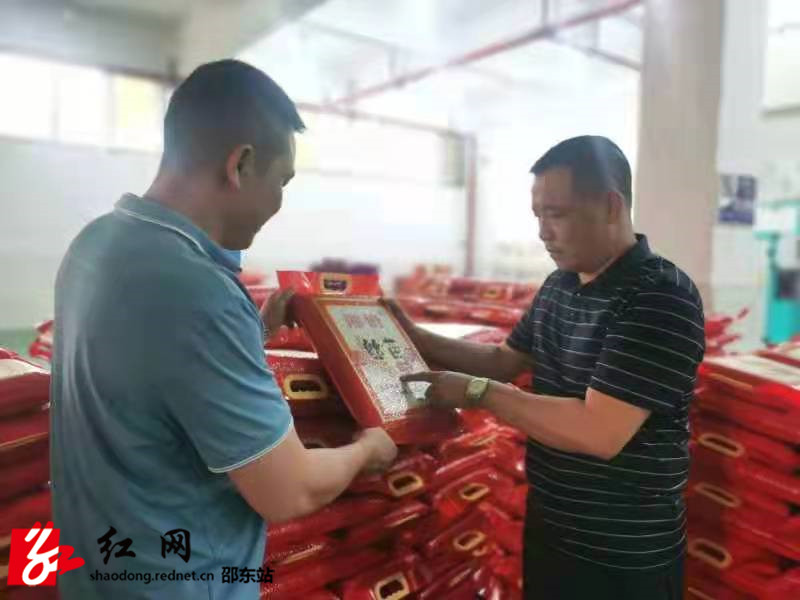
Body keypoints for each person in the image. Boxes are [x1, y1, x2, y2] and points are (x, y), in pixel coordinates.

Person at [50, 60, 397, 600]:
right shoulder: (199, 290)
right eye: (281, 182)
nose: (278, 204)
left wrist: (251, 333)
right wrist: (367, 449)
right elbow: (289, 491)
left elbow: (152, 369)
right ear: (241, 164)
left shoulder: (96, 243)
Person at [388, 136, 704, 600]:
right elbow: (503, 361)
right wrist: (413, 335)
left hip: (622, 557)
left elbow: (599, 431)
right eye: (537, 215)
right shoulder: (560, 284)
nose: (542, 232)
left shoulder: (660, 296)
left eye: (556, 214)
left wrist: (477, 393)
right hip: (552, 533)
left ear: (611, 206)